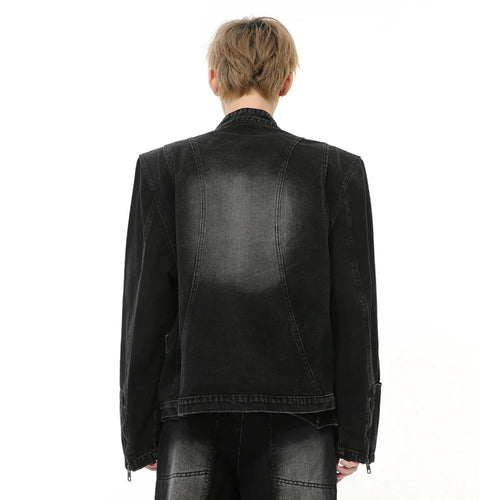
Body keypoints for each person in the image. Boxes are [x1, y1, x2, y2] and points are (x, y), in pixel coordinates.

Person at [119, 16, 381, 499]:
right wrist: (356, 434)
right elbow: (355, 312)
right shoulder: (335, 171)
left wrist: (139, 434)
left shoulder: (163, 170)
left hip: (191, 418)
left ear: (213, 79)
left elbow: (145, 312)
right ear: (286, 81)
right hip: (305, 418)